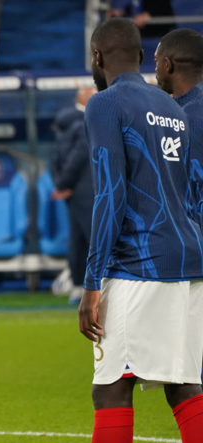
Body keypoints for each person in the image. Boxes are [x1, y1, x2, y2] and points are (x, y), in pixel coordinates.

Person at [79, 18, 203, 443]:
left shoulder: (106, 103)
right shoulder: (173, 108)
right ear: (139, 56)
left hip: (139, 262)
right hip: (187, 257)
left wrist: (92, 282)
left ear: (97, 57)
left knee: (111, 386)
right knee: (183, 383)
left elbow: (110, 195)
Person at [154, 28, 203, 390]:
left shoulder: (174, 120)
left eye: (156, 60)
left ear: (168, 65)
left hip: (193, 255)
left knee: (191, 369)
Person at [50, 87, 96, 304]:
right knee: (94, 239)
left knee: (78, 240)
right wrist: (64, 182)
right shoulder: (84, 123)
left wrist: (61, 185)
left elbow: (56, 158)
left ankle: (78, 287)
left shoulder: (64, 122)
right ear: (86, 99)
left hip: (73, 192)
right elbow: (78, 157)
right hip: (89, 190)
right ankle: (95, 287)